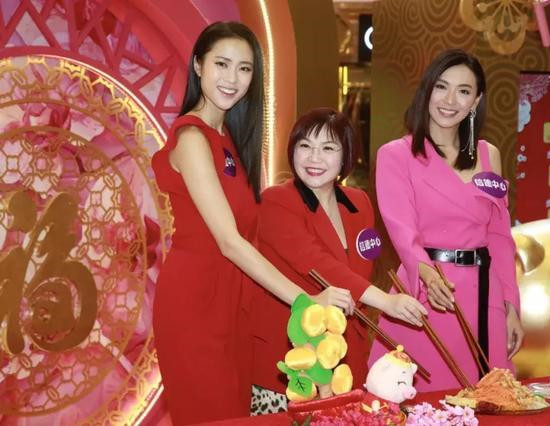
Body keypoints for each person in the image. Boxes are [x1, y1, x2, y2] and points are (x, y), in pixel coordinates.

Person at [151, 23, 353, 424]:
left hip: (233, 302)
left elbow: (251, 231)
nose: (233, 78)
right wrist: (305, 301)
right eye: (222, 64)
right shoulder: (192, 138)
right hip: (196, 304)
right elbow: (229, 241)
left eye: (244, 69)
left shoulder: (229, 136)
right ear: (198, 65)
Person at [251, 107, 427, 413]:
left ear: (346, 155)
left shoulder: (358, 202)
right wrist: (386, 302)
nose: (314, 158)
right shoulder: (277, 200)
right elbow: (318, 263)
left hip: (347, 353)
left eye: (328, 148)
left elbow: (362, 267)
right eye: (305, 146)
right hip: (293, 354)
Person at [368, 49, 524, 391]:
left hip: (484, 294)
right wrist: (427, 275)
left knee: (490, 399)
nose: (450, 100)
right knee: (419, 401)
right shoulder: (396, 155)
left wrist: (511, 304)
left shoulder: (488, 155)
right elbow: (402, 231)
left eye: (463, 91)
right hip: (427, 293)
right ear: (427, 90)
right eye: (442, 87)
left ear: (476, 101)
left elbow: (499, 237)